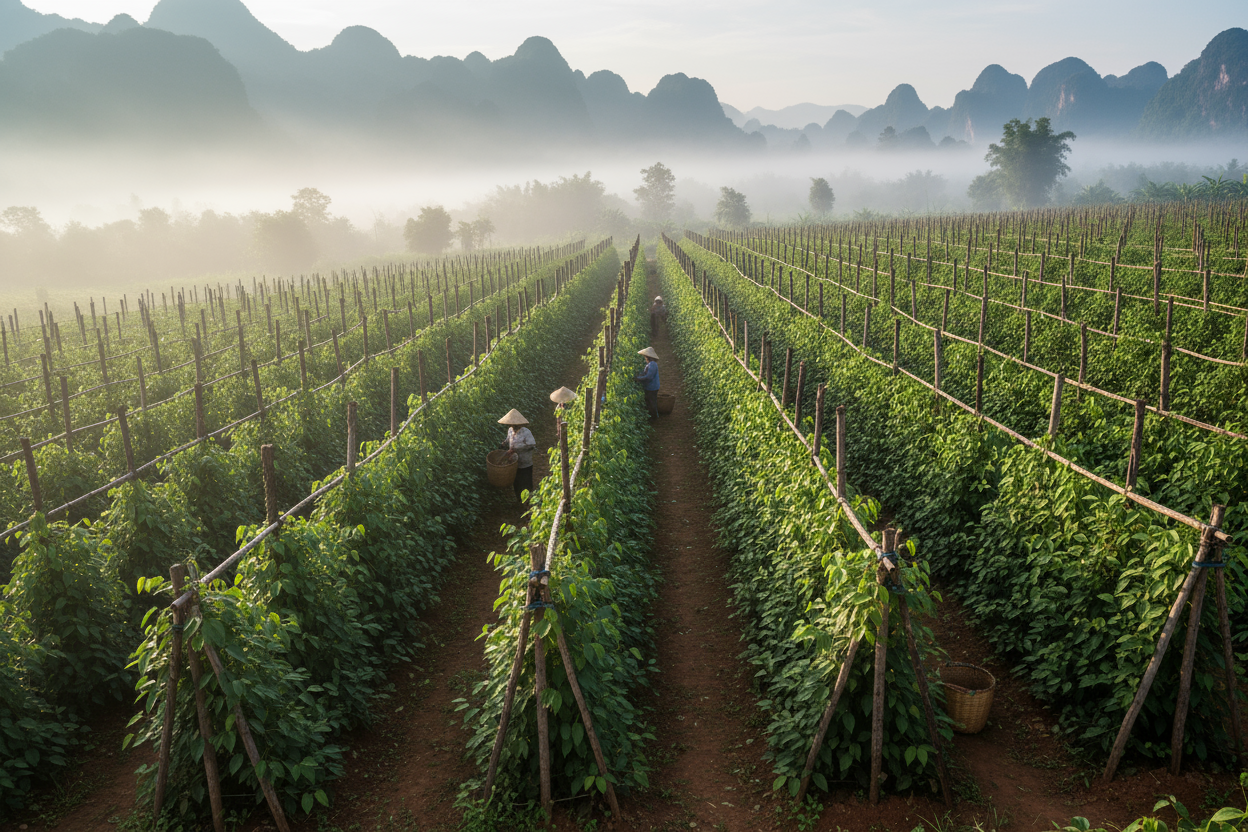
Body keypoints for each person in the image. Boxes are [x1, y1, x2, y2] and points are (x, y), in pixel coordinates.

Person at [498, 409, 536, 503]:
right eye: (511, 424)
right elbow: (508, 440)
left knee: (526, 480)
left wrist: (517, 448)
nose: (513, 426)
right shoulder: (510, 430)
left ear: (519, 424)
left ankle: (528, 500)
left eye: (515, 425)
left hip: (525, 461)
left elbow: (532, 445)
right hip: (514, 461)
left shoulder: (526, 432)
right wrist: (503, 444)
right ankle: (519, 499)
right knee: (517, 481)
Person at [634, 346, 660, 419]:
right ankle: (653, 416)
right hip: (651, 386)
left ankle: (654, 417)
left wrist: (638, 379)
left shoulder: (652, 364)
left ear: (648, 357)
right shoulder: (651, 364)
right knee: (650, 401)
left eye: (645, 356)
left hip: (652, 387)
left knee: (652, 403)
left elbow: (648, 377)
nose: (645, 358)